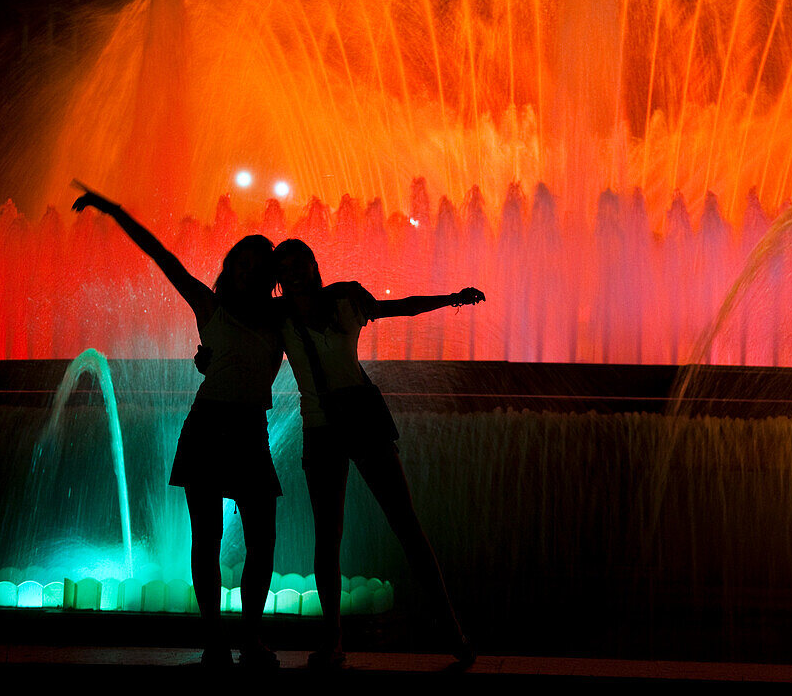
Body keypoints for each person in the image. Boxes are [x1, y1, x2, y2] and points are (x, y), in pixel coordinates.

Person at [71, 186, 283, 668]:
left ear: (268, 276)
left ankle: (251, 637)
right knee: (205, 537)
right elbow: (161, 256)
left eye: (256, 265)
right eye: (239, 263)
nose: (246, 272)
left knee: (262, 539)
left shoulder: (279, 318)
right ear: (230, 270)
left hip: (251, 428)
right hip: (208, 426)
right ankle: (214, 641)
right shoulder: (210, 308)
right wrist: (113, 208)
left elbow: (319, 304)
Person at [272, 237, 483, 669]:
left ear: (315, 265)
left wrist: (451, 299)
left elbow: (401, 308)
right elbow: (243, 341)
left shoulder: (347, 298)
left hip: (362, 420)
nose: (295, 273)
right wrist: (209, 357)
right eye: (286, 268)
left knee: (406, 525)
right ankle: (333, 641)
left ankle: (452, 631)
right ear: (279, 277)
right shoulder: (278, 318)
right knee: (327, 537)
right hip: (321, 428)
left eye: (301, 264)